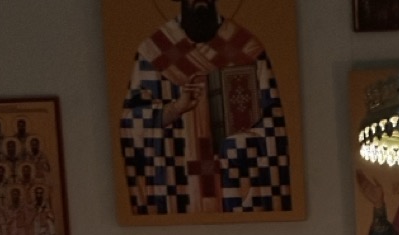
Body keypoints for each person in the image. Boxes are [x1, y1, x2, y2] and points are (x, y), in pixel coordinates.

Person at [120, 0, 292, 215]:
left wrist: (243, 142)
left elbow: (274, 123)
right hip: (177, 187)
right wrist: (175, 108)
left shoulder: (246, 49)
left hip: (235, 186)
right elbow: (130, 123)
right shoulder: (154, 51)